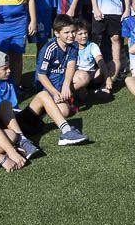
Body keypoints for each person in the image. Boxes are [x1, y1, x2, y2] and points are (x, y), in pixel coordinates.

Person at [27, 14, 89, 145]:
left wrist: (66, 85)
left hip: (62, 83)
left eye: (73, 31)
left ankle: (67, 97)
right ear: (56, 33)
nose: (71, 35)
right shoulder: (49, 49)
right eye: (66, 32)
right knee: (64, 112)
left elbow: (71, 64)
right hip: (47, 87)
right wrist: (55, 93)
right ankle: (52, 103)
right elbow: (41, 75)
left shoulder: (73, 45)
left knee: (84, 76)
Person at [0, 50, 39, 159]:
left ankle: (66, 130)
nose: (9, 70)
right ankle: (22, 141)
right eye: (5, 69)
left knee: (43, 95)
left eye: (8, 67)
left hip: (14, 118)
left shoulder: (9, 80)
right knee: (5, 105)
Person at [71, 20, 110, 102]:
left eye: (85, 33)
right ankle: (75, 91)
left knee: (110, 65)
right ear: (74, 35)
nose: (84, 36)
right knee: (83, 95)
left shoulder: (92, 45)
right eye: (80, 34)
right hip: (79, 76)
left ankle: (104, 87)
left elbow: (100, 60)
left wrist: (107, 77)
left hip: (92, 75)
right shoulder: (71, 47)